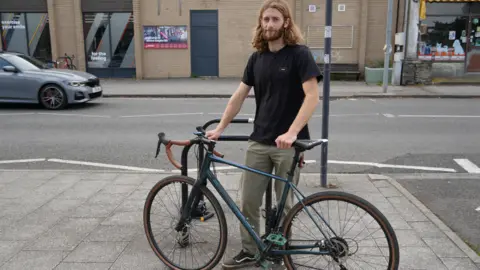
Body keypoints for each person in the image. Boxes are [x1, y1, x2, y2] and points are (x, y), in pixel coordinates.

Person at [206, 0, 322, 268]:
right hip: (259, 140)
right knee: (247, 201)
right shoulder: (257, 58)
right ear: (260, 23)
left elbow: (312, 97)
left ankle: (280, 253)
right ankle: (250, 250)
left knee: (284, 208)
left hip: (287, 145)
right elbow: (239, 96)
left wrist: (293, 133)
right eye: (265, 19)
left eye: (275, 19)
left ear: (286, 23)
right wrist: (221, 128)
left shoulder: (299, 54)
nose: (269, 24)